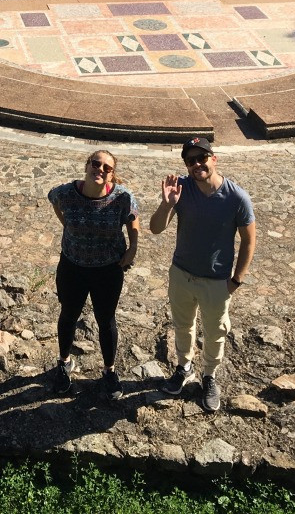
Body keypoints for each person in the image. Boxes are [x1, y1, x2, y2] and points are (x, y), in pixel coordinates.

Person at [149, 137, 256, 413]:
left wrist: (236, 280)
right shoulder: (181, 188)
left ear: (214, 158)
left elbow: (248, 240)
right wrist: (166, 204)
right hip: (181, 274)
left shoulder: (236, 197)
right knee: (182, 326)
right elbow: (156, 228)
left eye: (202, 158)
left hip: (216, 281)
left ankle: (209, 376)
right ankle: (183, 368)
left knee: (215, 332)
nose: (197, 164)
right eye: (190, 160)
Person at [47, 149, 140, 400]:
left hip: (108, 270)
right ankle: (64, 363)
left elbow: (133, 218)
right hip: (72, 265)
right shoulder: (66, 192)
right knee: (68, 314)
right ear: (87, 165)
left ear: (112, 174)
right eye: (96, 164)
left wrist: (133, 248)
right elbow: (53, 200)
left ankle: (109, 371)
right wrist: (66, 224)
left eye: (107, 168)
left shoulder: (122, 197)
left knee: (106, 320)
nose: (100, 169)